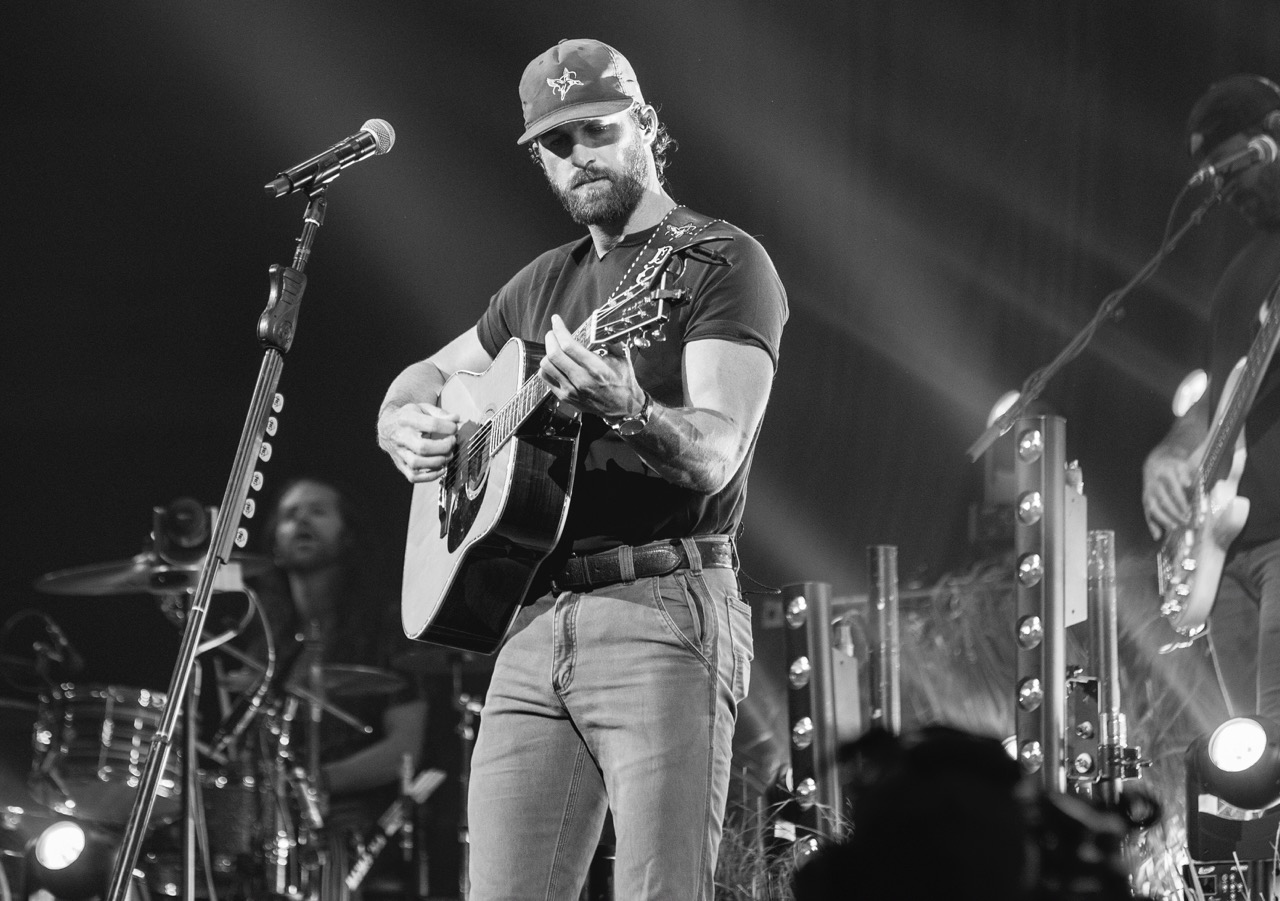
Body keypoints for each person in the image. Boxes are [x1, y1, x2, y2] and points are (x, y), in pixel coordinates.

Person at [376, 38, 788, 900]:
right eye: (556, 144)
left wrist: (630, 406)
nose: (579, 157)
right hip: (531, 621)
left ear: (645, 124)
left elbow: (717, 453)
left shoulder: (718, 260)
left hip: (661, 609)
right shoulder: (539, 284)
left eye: (598, 130)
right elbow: (425, 374)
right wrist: (402, 424)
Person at [1142, 75, 1280, 722]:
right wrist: (1170, 455)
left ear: (1272, 135)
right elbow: (1216, 396)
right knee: (1252, 760)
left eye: (1231, 168)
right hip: (1222, 555)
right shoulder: (1239, 277)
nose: (1225, 190)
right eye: (1215, 178)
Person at [240, 476, 430, 900]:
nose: (302, 521)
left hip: (360, 820)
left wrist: (317, 783)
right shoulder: (265, 640)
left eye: (318, 511)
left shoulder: (385, 627)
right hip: (273, 822)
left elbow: (405, 749)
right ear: (274, 543)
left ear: (347, 536)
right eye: (290, 515)